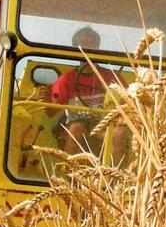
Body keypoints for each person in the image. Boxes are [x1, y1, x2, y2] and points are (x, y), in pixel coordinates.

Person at [50, 26, 128, 161]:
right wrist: (45, 96)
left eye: (91, 42)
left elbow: (130, 101)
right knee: (76, 129)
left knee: (119, 132)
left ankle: (113, 178)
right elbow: (50, 111)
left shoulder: (112, 77)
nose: (87, 46)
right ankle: (72, 177)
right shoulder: (66, 80)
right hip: (78, 127)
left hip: (106, 127)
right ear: (75, 47)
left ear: (97, 46)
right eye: (82, 42)